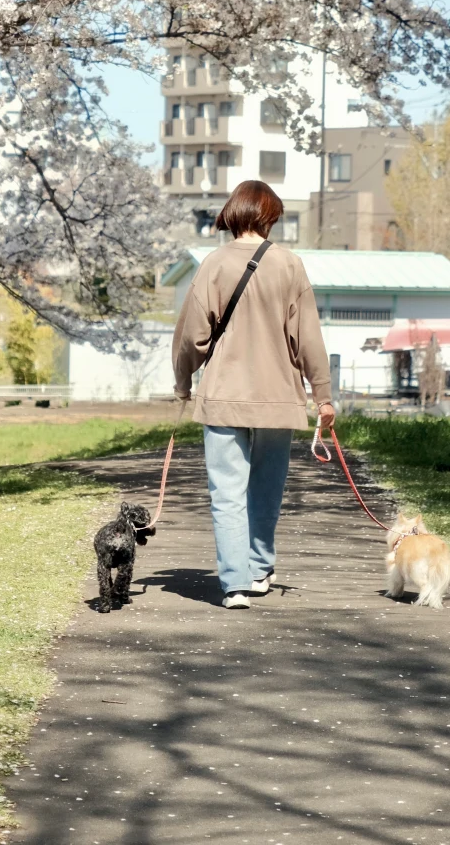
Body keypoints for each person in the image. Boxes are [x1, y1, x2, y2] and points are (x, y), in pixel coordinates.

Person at [173, 179, 335, 609]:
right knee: (266, 489)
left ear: (232, 214)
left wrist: (183, 382)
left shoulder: (213, 264)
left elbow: (192, 335)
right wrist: (323, 395)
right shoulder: (290, 265)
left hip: (224, 395)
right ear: (269, 217)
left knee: (226, 493)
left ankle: (235, 585)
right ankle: (260, 570)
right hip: (278, 397)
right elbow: (308, 338)